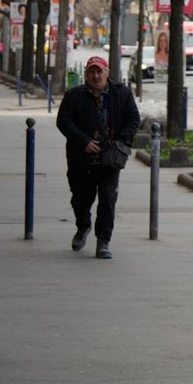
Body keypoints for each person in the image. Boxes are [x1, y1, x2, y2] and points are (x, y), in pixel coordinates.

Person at [54, 55, 140, 259]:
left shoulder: (122, 93)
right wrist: (83, 141)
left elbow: (133, 119)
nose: (95, 76)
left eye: (99, 71)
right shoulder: (74, 95)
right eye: (91, 72)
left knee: (107, 198)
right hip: (80, 157)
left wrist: (120, 143)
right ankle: (83, 226)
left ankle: (103, 241)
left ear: (106, 72)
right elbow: (63, 121)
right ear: (86, 74)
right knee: (80, 199)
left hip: (110, 157)